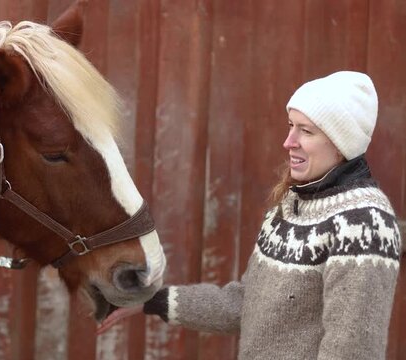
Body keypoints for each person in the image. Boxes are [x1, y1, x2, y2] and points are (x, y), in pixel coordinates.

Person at [97, 71, 403, 359]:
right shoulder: (290, 208)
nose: (289, 142)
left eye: (306, 131)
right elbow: (244, 304)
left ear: (341, 144)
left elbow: (352, 352)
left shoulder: (363, 225)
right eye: (290, 125)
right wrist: (150, 300)